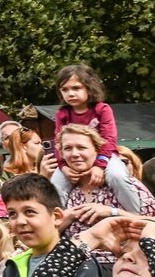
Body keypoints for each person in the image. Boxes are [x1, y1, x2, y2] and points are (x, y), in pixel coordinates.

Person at [57, 125, 155, 264]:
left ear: (97, 150)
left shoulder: (126, 185)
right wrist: (68, 217)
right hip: (77, 267)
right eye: (68, 148)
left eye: (81, 148)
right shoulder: (65, 191)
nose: (75, 154)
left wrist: (112, 212)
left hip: (123, 265)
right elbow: (44, 235)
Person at [49, 64, 142, 213]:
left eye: (76, 88)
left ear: (89, 88)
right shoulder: (63, 113)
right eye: (65, 89)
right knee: (55, 185)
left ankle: (137, 216)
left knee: (117, 176)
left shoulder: (101, 109)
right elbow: (59, 143)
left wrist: (99, 166)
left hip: (105, 156)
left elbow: (109, 139)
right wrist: (63, 166)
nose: (70, 94)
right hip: (72, 159)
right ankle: (57, 225)